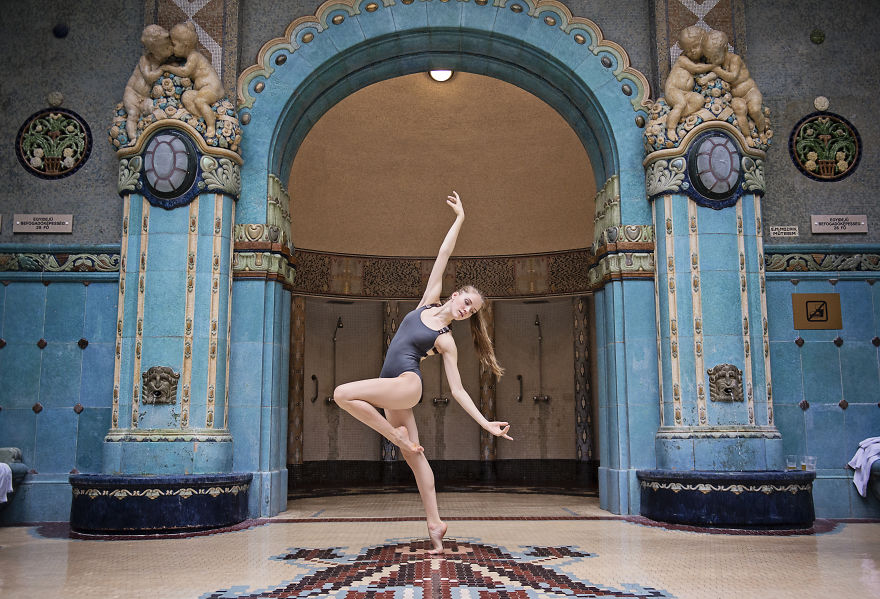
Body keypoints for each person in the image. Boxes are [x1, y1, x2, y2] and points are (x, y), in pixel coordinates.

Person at [333, 191, 512, 554]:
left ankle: (395, 437)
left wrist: (486, 424)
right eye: (466, 302)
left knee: (341, 394)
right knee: (416, 459)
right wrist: (460, 219)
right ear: (456, 294)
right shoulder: (427, 300)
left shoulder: (446, 341)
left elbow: (459, 391)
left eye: (472, 311)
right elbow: (443, 255)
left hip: (406, 384)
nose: (466, 310)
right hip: (393, 387)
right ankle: (436, 524)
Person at [163, 22, 224, 138]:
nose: (172, 48)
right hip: (203, 89)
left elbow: (184, 72)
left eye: (174, 44)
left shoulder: (194, 56)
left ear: (185, 45)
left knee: (200, 101)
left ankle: (211, 125)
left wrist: (167, 67)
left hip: (212, 88)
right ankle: (202, 118)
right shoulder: (190, 57)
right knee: (186, 97)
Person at [123, 24, 173, 142]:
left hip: (145, 98)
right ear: (153, 49)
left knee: (153, 109)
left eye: (167, 47)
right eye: (164, 48)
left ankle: (150, 138)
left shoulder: (166, 60)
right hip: (133, 93)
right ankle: (133, 138)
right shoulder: (145, 59)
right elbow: (149, 77)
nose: (168, 49)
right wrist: (163, 69)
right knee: (132, 114)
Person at [664, 25, 714, 142]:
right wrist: (714, 66)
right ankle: (671, 128)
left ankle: (680, 116)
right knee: (680, 103)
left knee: (699, 99)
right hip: (673, 90)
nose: (692, 52)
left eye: (695, 46)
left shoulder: (700, 59)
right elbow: (696, 68)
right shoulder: (683, 60)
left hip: (686, 93)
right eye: (688, 50)